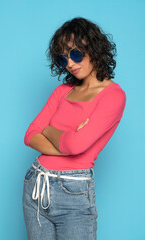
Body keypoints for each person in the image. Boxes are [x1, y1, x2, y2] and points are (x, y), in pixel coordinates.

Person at [22, 17, 126, 240]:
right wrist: (67, 142)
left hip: (74, 191)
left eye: (75, 53)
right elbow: (30, 135)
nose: (69, 63)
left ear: (93, 48)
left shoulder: (113, 96)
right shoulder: (63, 91)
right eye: (63, 58)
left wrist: (49, 130)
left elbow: (76, 144)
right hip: (36, 184)